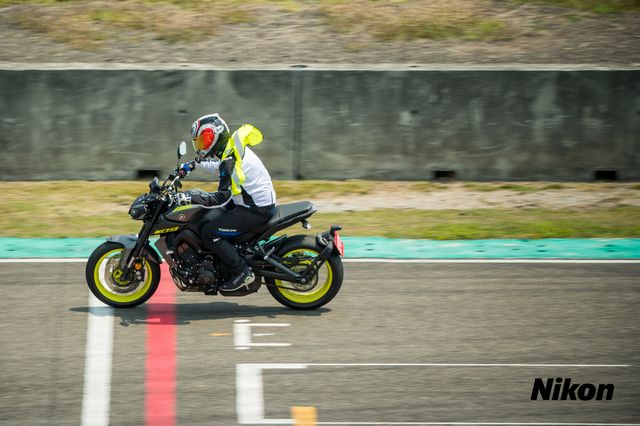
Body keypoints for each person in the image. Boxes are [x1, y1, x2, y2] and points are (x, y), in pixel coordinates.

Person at [176, 113, 277, 292]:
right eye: (199, 142)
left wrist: (190, 198)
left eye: (205, 139)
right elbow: (218, 166)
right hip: (249, 202)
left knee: (209, 232)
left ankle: (242, 271)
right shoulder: (229, 151)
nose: (202, 145)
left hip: (255, 209)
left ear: (217, 135)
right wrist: (193, 165)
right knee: (206, 217)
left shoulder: (229, 160)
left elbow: (221, 197)